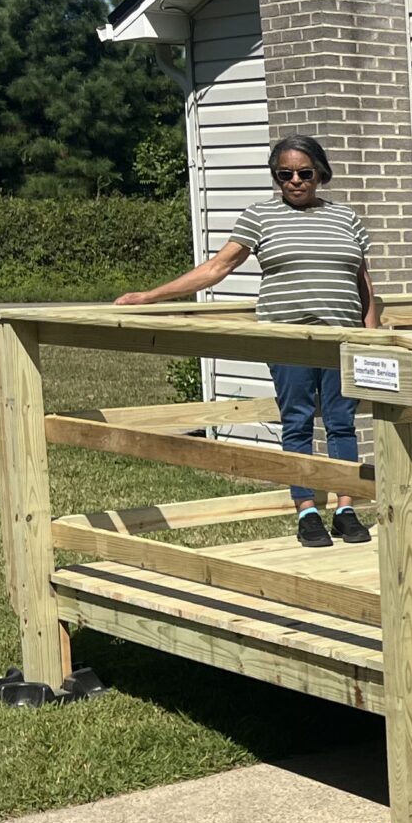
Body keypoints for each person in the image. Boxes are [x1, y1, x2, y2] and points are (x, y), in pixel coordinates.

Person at [116, 135, 379, 549]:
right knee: (297, 421)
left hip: (342, 339)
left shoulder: (346, 218)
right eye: (284, 174)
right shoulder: (260, 216)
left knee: (343, 424)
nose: (295, 181)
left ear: (320, 174)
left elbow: (364, 284)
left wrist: (372, 334)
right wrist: (150, 296)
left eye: (304, 173)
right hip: (287, 340)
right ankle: (307, 510)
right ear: (276, 177)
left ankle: (346, 508)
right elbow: (218, 267)